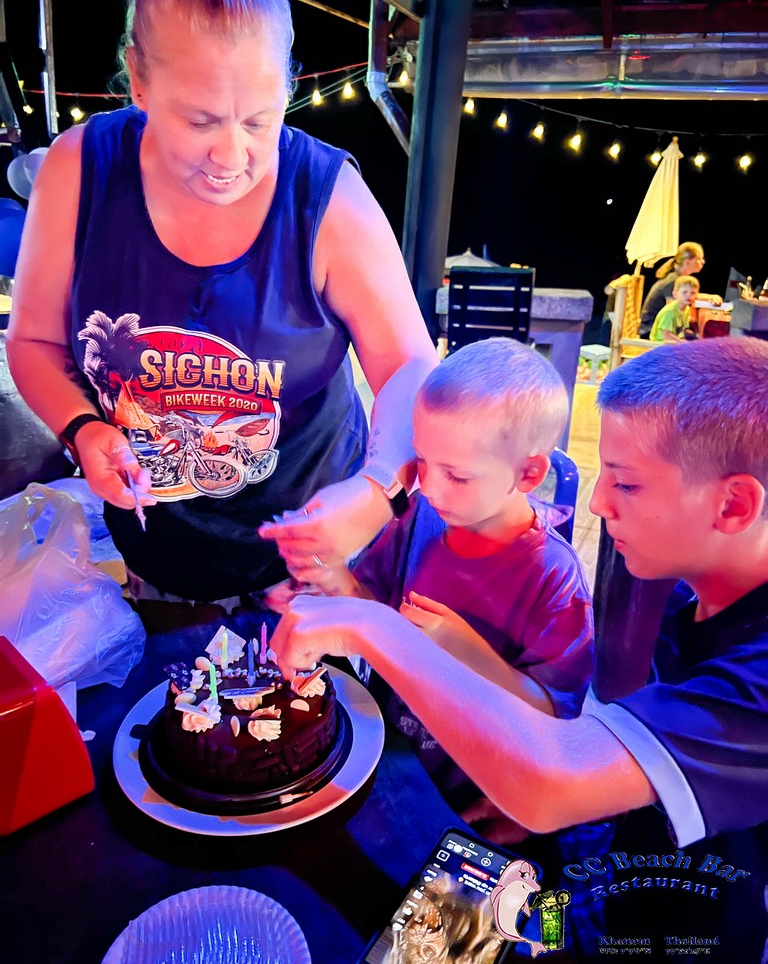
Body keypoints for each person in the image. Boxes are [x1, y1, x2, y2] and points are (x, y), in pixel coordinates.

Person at [273, 336, 768, 957]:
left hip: (690, 935)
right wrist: (550, 803)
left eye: (626, 484)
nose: (596, 503)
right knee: (414, 942)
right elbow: (590, 756)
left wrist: (372, 626)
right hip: (599, 866)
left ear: (734, 504)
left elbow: (554, 770)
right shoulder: (663, 582)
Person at [5, 0, 437, 608]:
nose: (232, 156)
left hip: (315, 565)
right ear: (139, 79)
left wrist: (378, 491)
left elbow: (412, 366)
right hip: (155, 550)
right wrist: (83, 430)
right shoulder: (78, 170)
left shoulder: (327, 199)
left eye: (260, 121)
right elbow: (33, 341)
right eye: (199, 121)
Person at [296, 337, 593, 837]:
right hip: (389, 761)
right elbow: (373, 613)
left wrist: (460, 646)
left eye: (456, 475)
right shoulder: (418, 517)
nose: (429, 488)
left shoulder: (554, 578)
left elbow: (553, 719)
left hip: (477, 793)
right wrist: (331, 575)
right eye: (422, 462)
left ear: (529, 473)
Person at [638, 240, 715, 339]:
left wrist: (710, 297)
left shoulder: (679, 279)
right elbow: (669, 319)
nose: (703, 262)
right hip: (652, 333)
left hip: (661, 329)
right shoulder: (672, 282)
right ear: (687, 262)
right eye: (699, 258)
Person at [649, 274, 699, 342]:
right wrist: (683, 343)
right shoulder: (669, 311)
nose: (688, 296)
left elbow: (684, 330)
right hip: (659, 344)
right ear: (675, 294)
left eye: (692, 293)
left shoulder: (687, 309)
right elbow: (666, 335)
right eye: (684, 292)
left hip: (673, 343)